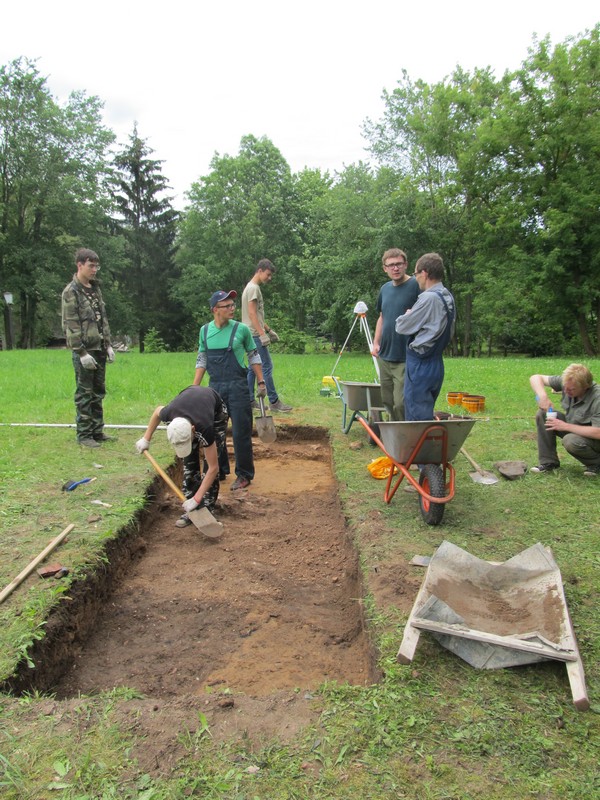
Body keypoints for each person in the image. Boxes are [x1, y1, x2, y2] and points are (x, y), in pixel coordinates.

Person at [193, 290, 267, 491]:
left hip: (238, 387)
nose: (232, 308)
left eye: (233, 305)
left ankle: (244, 474)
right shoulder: (204, 331)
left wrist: (261, 381)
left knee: (240, 431)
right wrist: (195, 387)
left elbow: (253, 355)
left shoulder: (241, 329)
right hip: (215, 387)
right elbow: (202, 359)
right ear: (215, 309)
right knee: (215, 431)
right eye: (228, 306)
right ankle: (218, 470)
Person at [135, 385, 229, 527]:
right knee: (189, 466)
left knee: (208, 468)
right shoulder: (169, 414)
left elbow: (213, 468)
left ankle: (207, 506)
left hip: (216, 414)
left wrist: (197, 499)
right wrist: (146, 439)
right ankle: (192, 510)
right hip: (189, 406)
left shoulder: (205, 428)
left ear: (192, 430)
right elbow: (156, 412)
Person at [61, 248, 115, 447]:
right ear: (80, 265)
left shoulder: (95, 288)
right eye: (91, 265)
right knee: (85, 392)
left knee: (98, 391)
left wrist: (108, 344)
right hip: (85, 350)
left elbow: (102, 319)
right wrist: (81, 352)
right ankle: (84, 434)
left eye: (96, 266)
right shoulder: (71, 292)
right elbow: (71, 325)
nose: (94, 270)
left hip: (99, 347)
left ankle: (97, 431)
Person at [394, 253, 455, 421]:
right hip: (436, 363)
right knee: (425, 412)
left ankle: (418, 447)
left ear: (425, 273)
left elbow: (402, 326)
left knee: (416, 417)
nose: (416, 278)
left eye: (415, 274)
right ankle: (427, 445)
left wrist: (408, 314)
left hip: (421, 364)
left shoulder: (428, 298)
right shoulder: (447, 295)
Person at [371, 248, 421, 420]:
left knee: (401, 402)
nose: (395, 268)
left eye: (399, 264)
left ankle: (403, 437)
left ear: (406, 264)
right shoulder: (385, 289)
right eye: (391, 265)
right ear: (385, 268)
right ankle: (393, 434)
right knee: (387, 401)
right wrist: (375, 342)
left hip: (406, 355)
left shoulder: (416, 285)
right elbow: (382, 317)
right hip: (385, 355)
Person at [529, 364, 600, 477]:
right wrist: (542, 396)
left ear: (586, 386)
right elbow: (535, 377)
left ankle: (596, 464)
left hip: (595, 439)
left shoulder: (597, 398)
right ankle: (549, 462)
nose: (566, 391)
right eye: (565, 387)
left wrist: (565, 426)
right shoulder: (569, 381)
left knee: (570, 441)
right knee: (543, 414)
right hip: (575, 427)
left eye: (571, 389)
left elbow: (598, 432)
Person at [241, 258, 293, 412]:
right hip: (255, 335)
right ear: (260, 271)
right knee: (266, 366)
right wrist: (262, 335)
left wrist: (269, 330)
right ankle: (274, 402)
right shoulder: (254, 288)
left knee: (253, 368)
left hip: (251, 334)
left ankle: (249, 400)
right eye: (268, 275)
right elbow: (251, 314)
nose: (269, 278)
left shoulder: (250, 287)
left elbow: (257, 314)